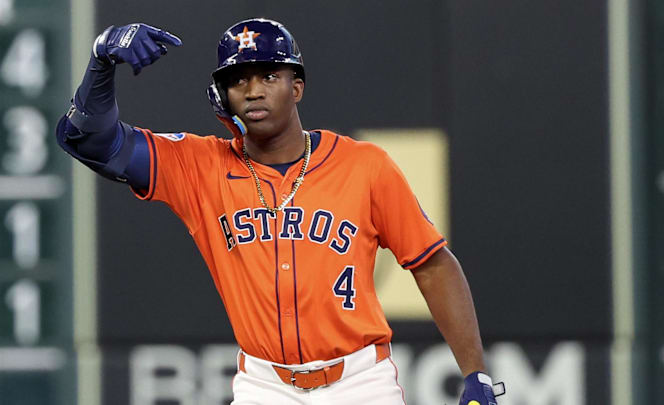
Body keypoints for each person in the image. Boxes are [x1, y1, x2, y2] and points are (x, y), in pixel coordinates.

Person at [56, 18, 504, 405]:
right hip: (265, 386)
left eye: (269, 76)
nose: (252, 90)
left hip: (359, 383)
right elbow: (91, 141)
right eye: (238, 80)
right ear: (221, 97)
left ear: (297, 86)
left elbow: (432, 263)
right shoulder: (198, 167)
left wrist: (474, 370)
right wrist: (100, 63)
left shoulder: (365, 166)